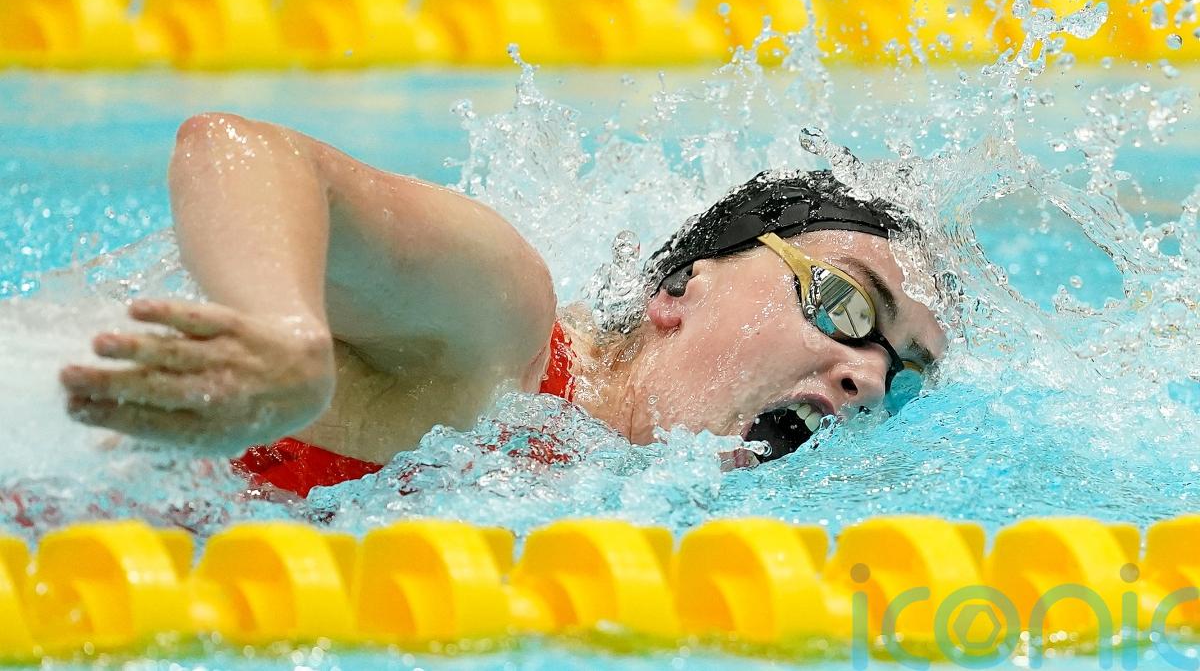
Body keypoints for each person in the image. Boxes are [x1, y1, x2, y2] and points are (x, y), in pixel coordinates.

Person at [58, 113, 947, 497]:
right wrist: (279, 337)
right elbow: (239, 149)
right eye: (843, 306)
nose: (869, 378)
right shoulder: (502, 335)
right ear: (680, 288)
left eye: (901, 375)